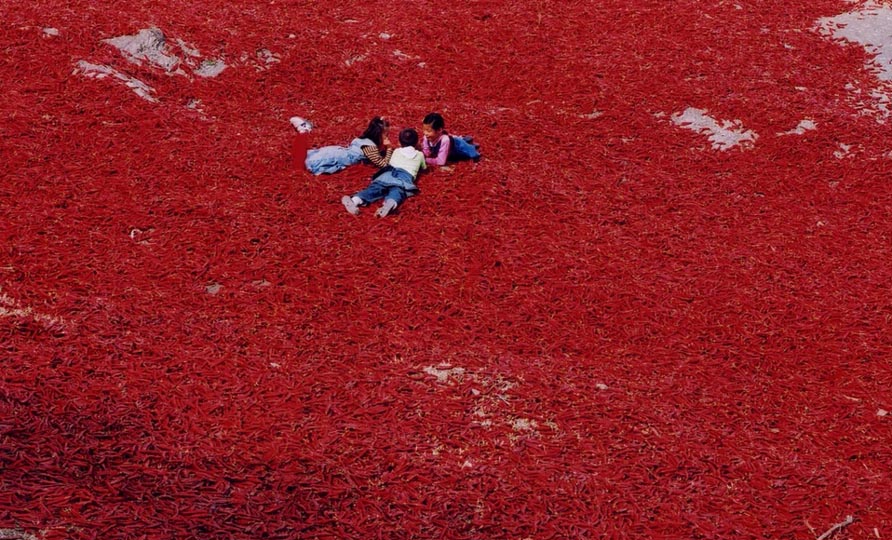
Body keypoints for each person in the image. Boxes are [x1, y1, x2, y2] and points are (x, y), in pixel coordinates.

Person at [341, 128, 426, 217]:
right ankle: (390, 203)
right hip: (403, 178)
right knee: (397, 192)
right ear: (416, 143)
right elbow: (423, 167)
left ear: (400, 143)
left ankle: (355, 200)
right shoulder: (420, 155)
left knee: (375, 189)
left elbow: (390, 162)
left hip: (388, 174)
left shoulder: (396, 151)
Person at [304, 117, 393, 175]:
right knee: (310, 162)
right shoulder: (370, 148)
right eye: (385, 134)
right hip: (338, 157)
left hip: (337, 151)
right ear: (377, 134)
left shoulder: (365, 139)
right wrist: (389, 148)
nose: (387, 136)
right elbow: (384, 165)